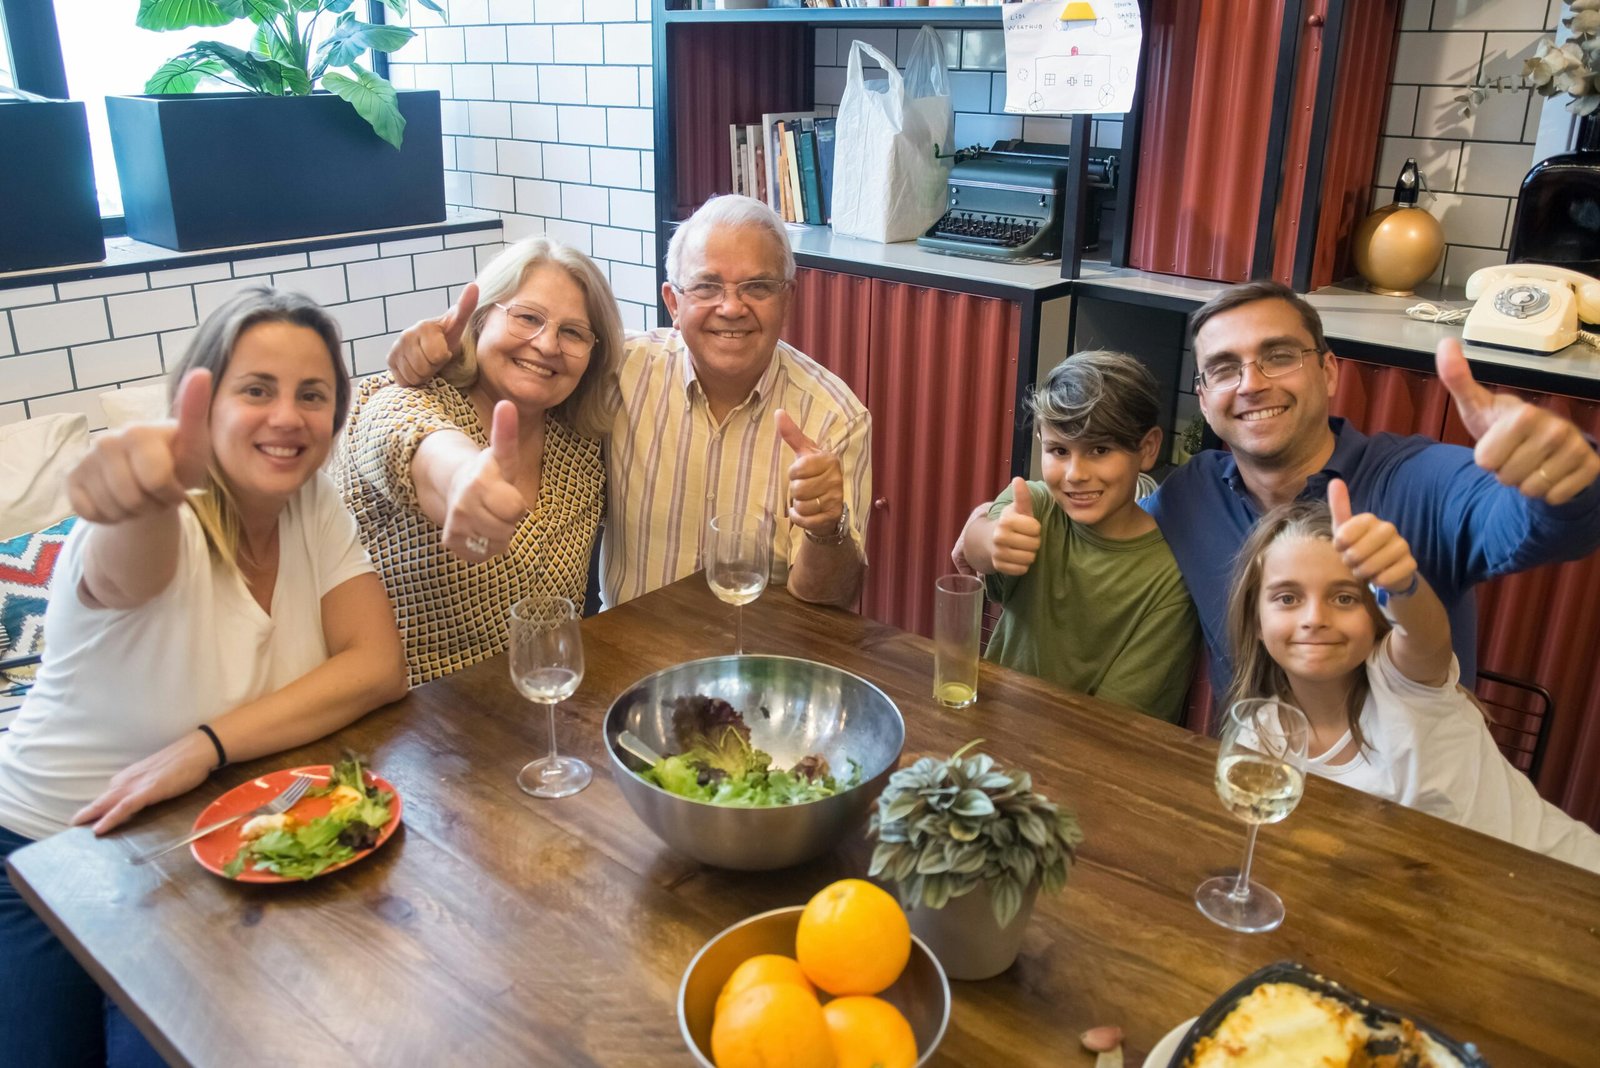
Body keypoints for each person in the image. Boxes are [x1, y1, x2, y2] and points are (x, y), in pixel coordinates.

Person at [0, 288, 408, 1065]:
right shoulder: (162, 520)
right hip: (48, 852)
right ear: (204, 398)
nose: (287, 417)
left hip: (191, 846)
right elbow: (129, 571)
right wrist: (138, 502)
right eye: (256, 390)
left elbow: (377, 666)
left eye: (311, 395)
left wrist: (206, 744)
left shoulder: (312, 504)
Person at [387, 195, 871, 610]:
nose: (730, 307)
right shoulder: (621, 373)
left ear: (787, 298)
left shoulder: (833, 418)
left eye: (757, 287)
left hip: (759, 670)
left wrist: (827, 528)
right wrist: (430, 352)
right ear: (673, 303)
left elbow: (832, 600)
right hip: (625, 662)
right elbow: (515, 371)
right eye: (706, 286)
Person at [1146, 279, 1600, 695]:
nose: (1252, 385)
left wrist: (1566, 478)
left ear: (1328, 372)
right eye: (1224, 369)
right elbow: (1104, 527)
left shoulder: (1421, 481)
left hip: (1397, 784)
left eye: (1279, 356)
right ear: (1204, 400)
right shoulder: (1191, 494)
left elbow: (1545, 524)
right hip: (1257, 772)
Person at [1225, 482, 1600, 873]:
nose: (1315, 618)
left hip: (1570, 880)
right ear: (1256, 622)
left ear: (1375, 618)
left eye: (1345, 598)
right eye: (1288, 598)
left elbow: (1425, 636)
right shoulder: (1260, 735)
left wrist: (1401, 583)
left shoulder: (1402, 682)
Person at [337, 236, 622, 684]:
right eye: (527, 317)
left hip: (538, 714)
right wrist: (462, 479)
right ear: (481, 318)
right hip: (408, 725)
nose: (547, 344)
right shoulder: (408, 399)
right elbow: (411, 442)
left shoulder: (580, 443)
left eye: (572, 332)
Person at [959, 352, 1197, 722]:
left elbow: (1120, 720)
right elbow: (972, 546)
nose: (1075, 474)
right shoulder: (1032, 504)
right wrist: (992, 542)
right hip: (994, 728)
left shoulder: (1169, 579)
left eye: (1100, 450)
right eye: (1058, 450)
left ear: (1147, 448)